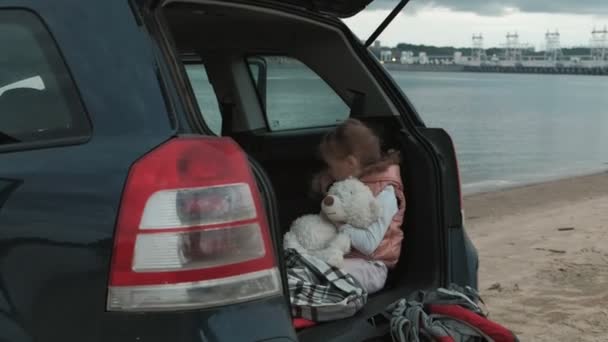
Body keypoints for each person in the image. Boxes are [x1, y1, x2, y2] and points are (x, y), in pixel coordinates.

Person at [311, 119, 405, 294]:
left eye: (331, 166)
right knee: (308, 266)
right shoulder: (355, 181)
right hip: (348, 257)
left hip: (372, 267)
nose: (329, 171)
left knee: (316, 275)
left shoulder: (384, 192)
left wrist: (339, 221)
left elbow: (369, 245)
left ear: (351, 163)